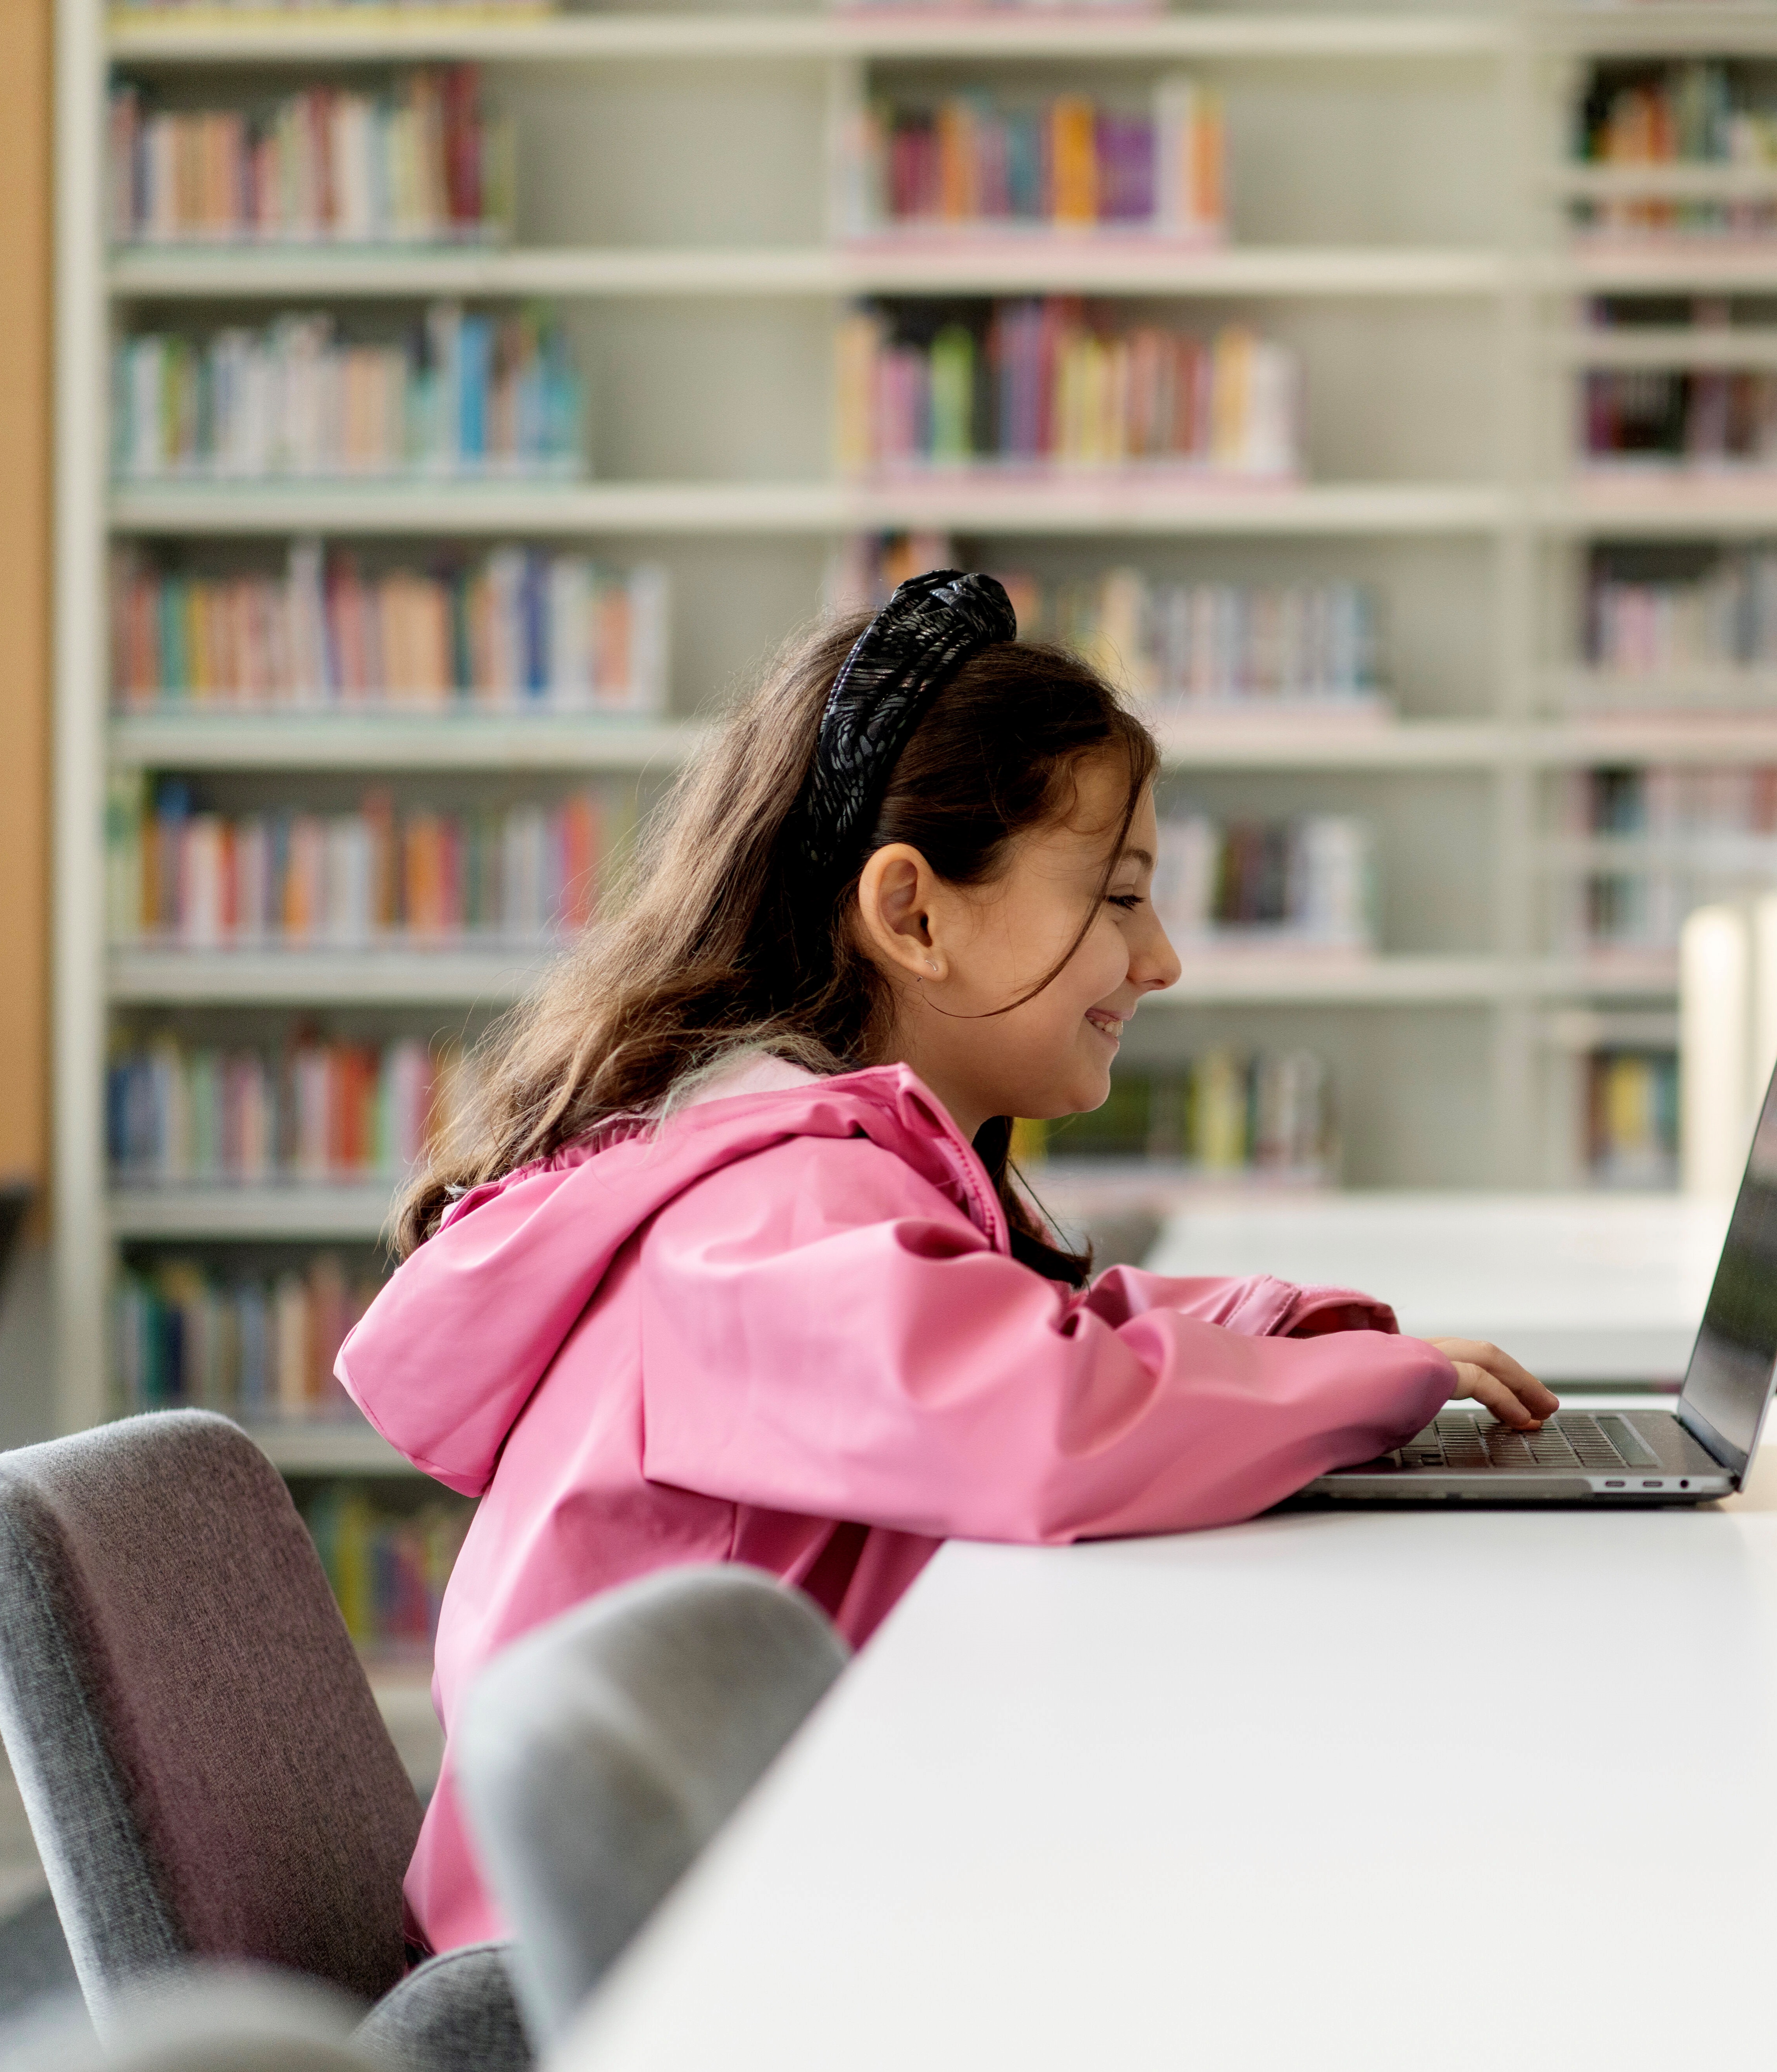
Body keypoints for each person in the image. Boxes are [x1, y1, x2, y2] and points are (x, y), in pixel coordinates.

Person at [338, 572, 1558, 1951]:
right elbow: (1051, 1419)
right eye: (1118, 898)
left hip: (741, 1865)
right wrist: (1368, 1389)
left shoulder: (802, 1167)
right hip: (643, 1956)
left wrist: (1295, 1329)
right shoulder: (767, 1216)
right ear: (914, 914)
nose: (1159, 960)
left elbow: (1037, 1318)